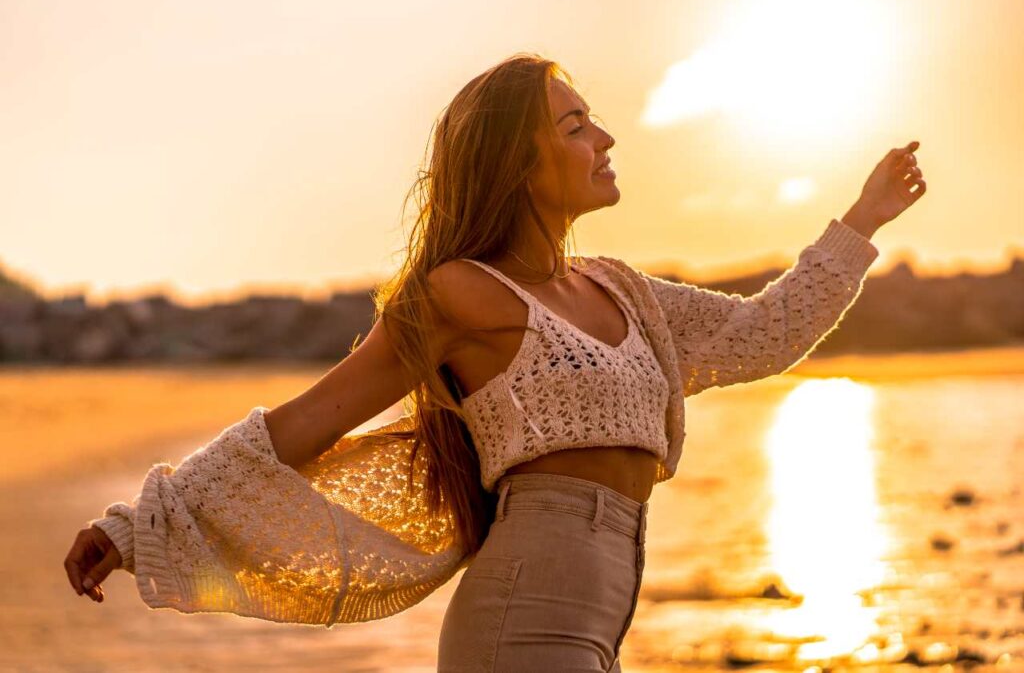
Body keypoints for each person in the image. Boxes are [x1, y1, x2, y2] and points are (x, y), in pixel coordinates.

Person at [64, 52, 925, 672]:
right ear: (519, 161)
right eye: (578, 125)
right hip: (524, 617)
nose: (607, 137)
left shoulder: (622, 290)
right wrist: (139, 523)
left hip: (600, 622)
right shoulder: (456, 293)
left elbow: (762, 335)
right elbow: (308, 420)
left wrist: (861, 222)